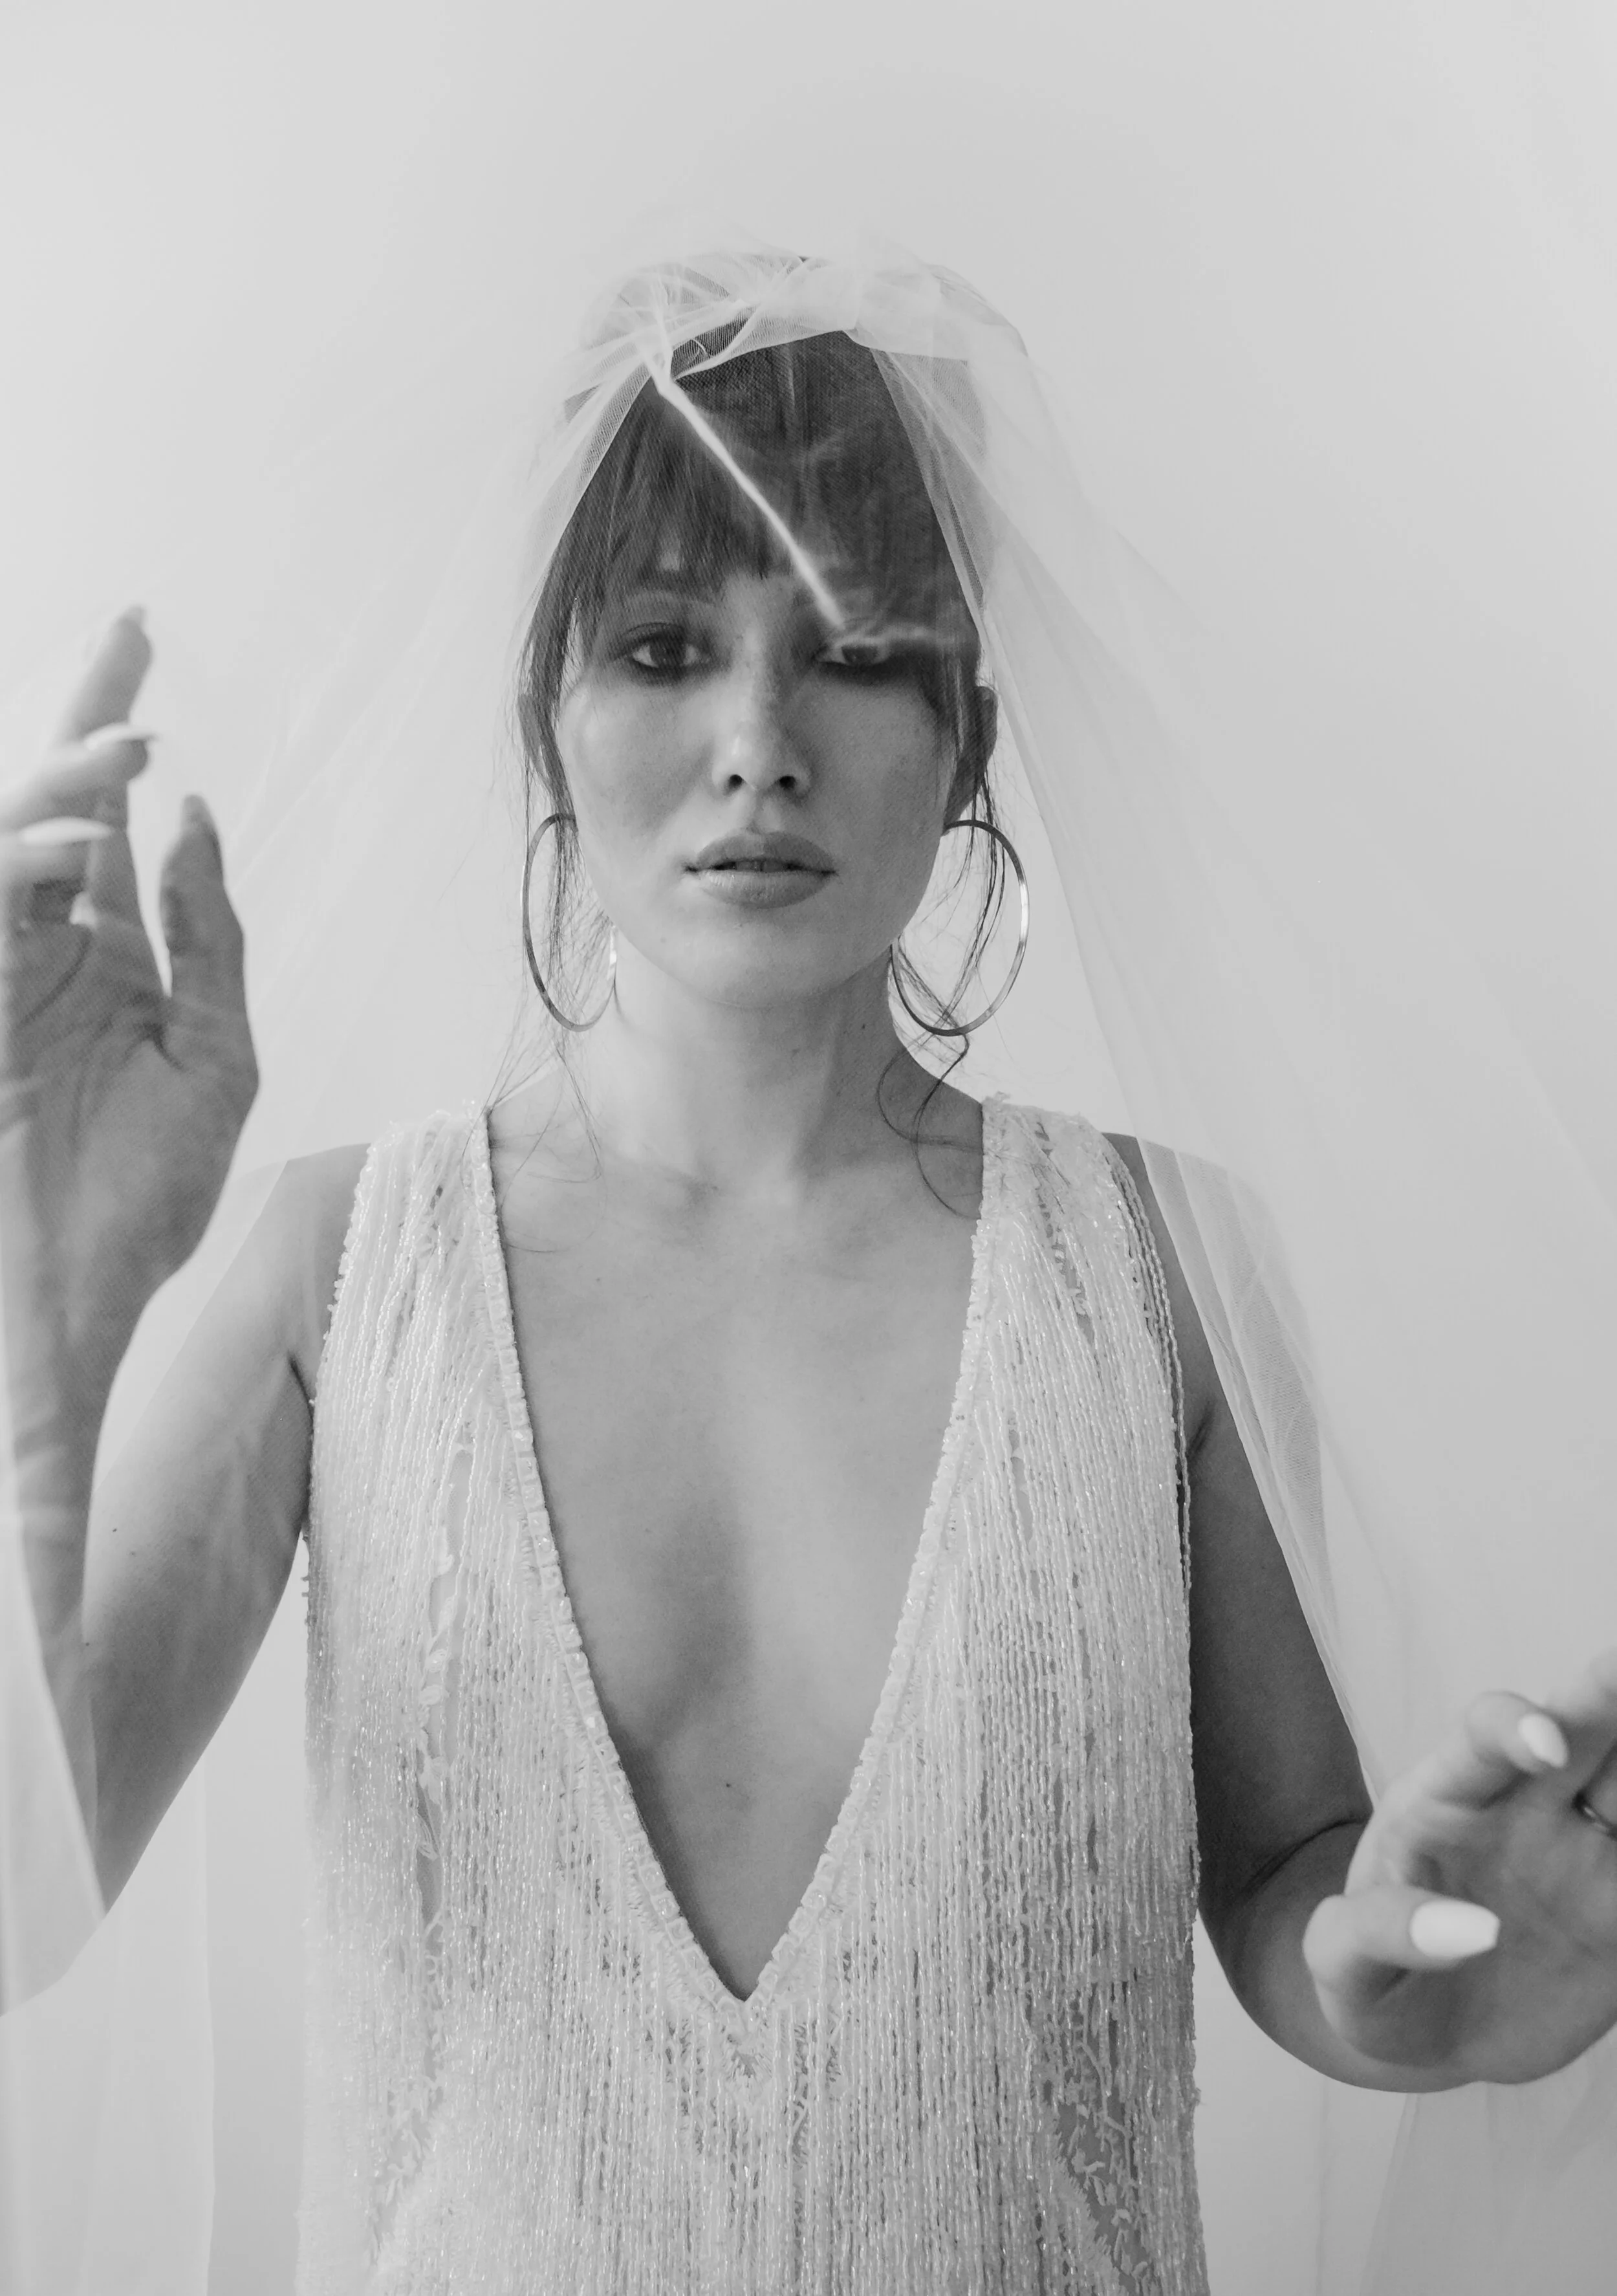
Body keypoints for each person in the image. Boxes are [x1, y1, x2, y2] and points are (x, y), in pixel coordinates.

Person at [4, 256, 1616, 2291]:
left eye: (855, 651)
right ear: (545, 716)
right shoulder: (344, 1271)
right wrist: (54, 1325)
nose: (758, 740)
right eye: (665, 645)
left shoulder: (1158, 1267)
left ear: (968, 739)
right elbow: (23, 1903)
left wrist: (1412, 1983)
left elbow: (1292, 1878)